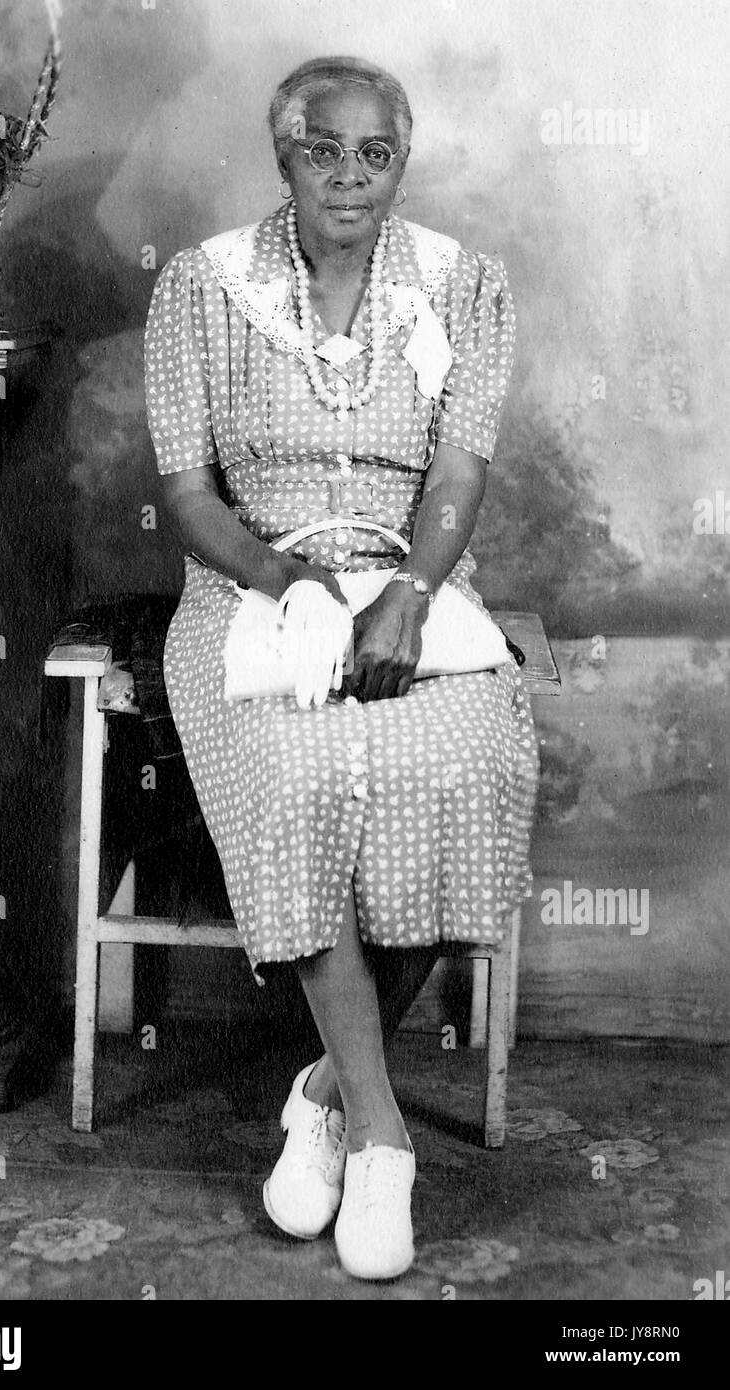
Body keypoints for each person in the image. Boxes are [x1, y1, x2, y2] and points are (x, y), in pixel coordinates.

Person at [144, 54, 538, 1281]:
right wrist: (287, 581)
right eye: (323, 150)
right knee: (302, 772)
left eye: (374, 153)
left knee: (465, 760)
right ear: (285, 156)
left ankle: (323, 1095)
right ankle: (382, 1140)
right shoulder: (202, 286)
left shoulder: (462, 286)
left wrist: (407, 598)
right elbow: (186, 495)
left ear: (398, 163)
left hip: (408, 583)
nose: (350, 177)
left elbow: (458, 471)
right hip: (248, 589)